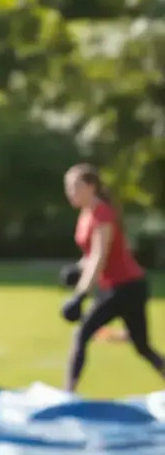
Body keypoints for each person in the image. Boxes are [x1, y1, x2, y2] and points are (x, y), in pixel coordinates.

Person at [60, 163, 165, 393]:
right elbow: (91, 256)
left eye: (75, 186)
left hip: (125, 287)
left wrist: (80, 296)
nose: (70, 192)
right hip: (123, 286)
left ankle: (67, 394)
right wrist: (77, 268)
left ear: (91, 186)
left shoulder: (102, 214)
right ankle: (68, 391)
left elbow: (100, 254)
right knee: (142, 347)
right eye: (68, 187)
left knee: (82, 333)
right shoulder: (86, 214)